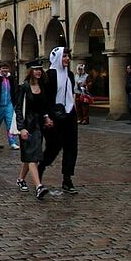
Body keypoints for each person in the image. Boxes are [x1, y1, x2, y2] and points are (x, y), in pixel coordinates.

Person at [41, 46, 79, 194]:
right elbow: (44, 98)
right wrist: (46, 116)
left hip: (69, 114)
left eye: (68, 56)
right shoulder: (49, 75)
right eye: (64, 56)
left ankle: (67, 178)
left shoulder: (69, 74)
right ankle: (41, 166)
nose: (67, 59)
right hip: (54, 116)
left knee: (71, 147)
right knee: (54, 147)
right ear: (57, 58)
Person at [14, 59, 51, 200]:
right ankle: (39, 186)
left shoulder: (42, 87)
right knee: (33, 155)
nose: (38, 72)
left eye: (40, 69)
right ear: (30, 71)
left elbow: (43, 106)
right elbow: (18, 109)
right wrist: (21, 128)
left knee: (31, 154)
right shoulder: (23, 87)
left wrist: (46, 117)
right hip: (27, 124)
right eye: (36, 69)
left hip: (38, 124)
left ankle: (20, 179)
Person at [0, 63, 19, 150]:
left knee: (10, 124)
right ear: (0, 69)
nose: (5, 70)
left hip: (9, 105)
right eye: (3, 68)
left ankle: (12, 142)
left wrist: (15, 102)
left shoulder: (11, 79)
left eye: (6, 68)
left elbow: (15, 90)